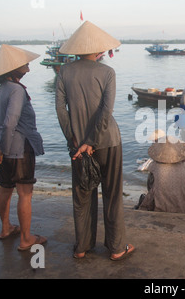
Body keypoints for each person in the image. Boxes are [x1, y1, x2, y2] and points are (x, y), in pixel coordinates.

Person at [55, 21, 134, 260]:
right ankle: (117, 248)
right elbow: (105, 111)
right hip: (108, 141)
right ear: (99, 50)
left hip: (78, 145)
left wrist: (76, 140)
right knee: (111, 194)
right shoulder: (107, 72)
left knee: (82, 195)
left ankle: (82, 246)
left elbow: (61, 110)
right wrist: (92, 139)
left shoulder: (64, 72)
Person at [0, 44, 47, 251]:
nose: (27, 65)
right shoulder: (17, 91)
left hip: (6, 150)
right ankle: (26, 239)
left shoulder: (2, 90)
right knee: (25, 193)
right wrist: (2, 148)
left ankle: (6, 228)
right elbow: (10, 122)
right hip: (20, 149)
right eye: (24, 64)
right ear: (14, 68)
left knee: (5, 188)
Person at [138, 136, 185, 213]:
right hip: (183, 209)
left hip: (160, 207)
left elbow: (149, 167)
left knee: (153, 175)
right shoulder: (184, 166)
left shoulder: (155, 165)